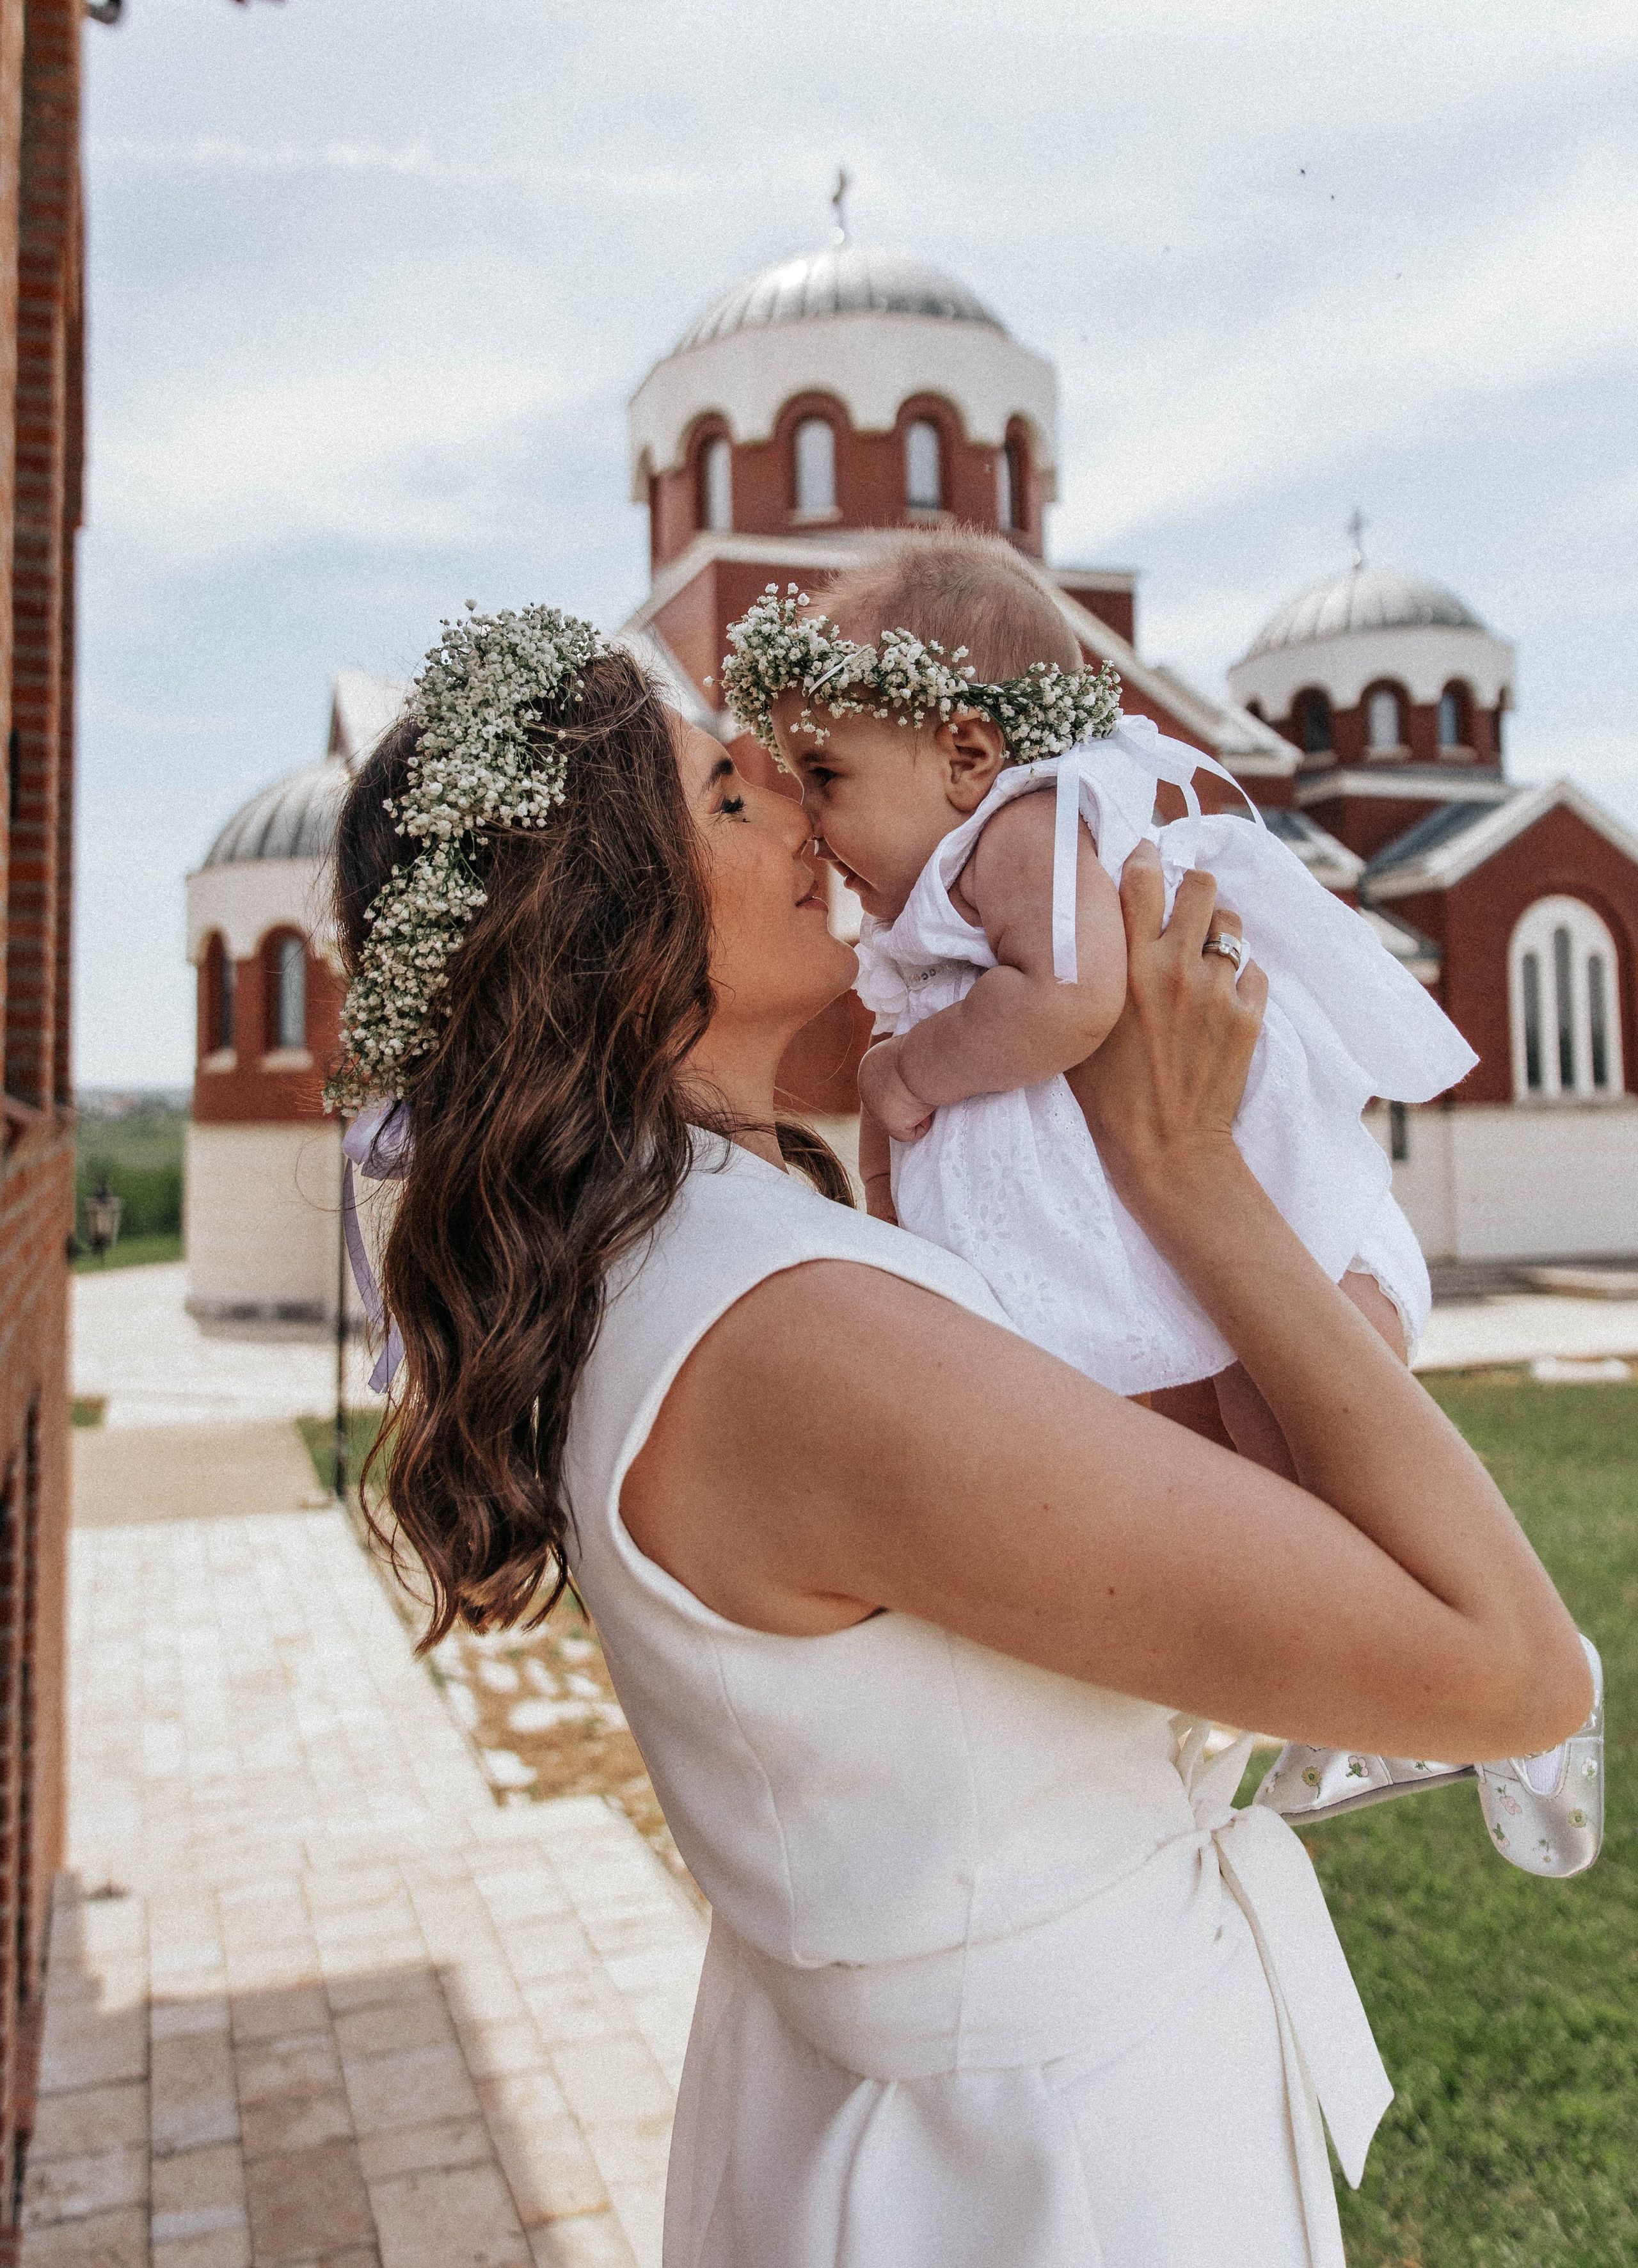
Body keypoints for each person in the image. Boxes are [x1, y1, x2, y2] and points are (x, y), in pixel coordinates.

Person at [329, 603, 1589, 2268]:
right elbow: (1510, 1669)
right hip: (1053, 2177)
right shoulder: (793, 1345)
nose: (791, 796)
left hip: (931, 2113)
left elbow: (1134, 1546)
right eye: (724, 794)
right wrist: (1192, 1173)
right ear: (605, 925)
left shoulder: (686, 1250)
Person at [719, 531, 1603, 1879]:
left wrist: (907, 1068)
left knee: (1307, 1433)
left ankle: (1500, 1690)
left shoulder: (1022, 827)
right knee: (1268, 1479)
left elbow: (1069, 1001)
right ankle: (1377, 1694)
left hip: (1266, 1197)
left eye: (826, 777)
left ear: (964, 752)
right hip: (1188, 1217)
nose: (813, 820)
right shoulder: (966, 856)